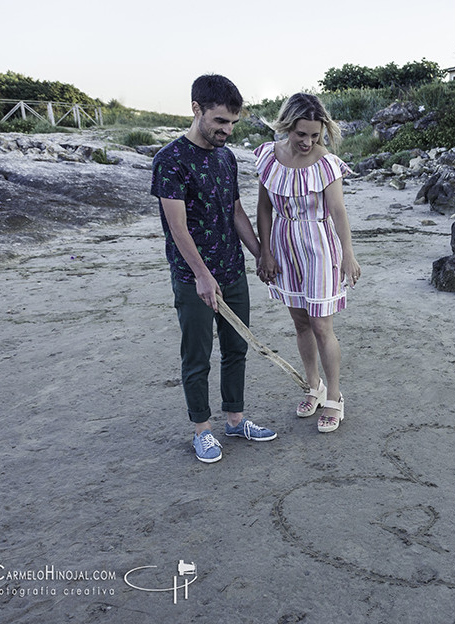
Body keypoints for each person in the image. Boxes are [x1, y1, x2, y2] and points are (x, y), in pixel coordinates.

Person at [151, 74, 277, 463]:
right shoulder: (169, 161)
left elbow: (234, 209)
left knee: (237, 347)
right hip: (194, 276)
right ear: (196, 110)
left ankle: (236, 419)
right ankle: (202, 430)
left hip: (231, 268)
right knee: (197, 354)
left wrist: (259, 252)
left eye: (233, 123)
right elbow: (177, 226)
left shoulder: (225, 157)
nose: (227, 130)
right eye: (221, 121)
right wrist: (202, 276)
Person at [254, 93, 360, 433]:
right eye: (301, 134)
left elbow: (339, 212)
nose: (308, 141)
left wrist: (349, 255)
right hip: (284, 245)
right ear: (287, 126)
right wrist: (265, 252)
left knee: (321, 326)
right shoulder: (269, 157)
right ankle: (312, 387)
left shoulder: (326, 163)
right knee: (300, 323)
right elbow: (264, 209)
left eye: (315, 135)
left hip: (319, 246)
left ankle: (334, 397)